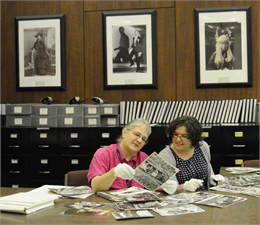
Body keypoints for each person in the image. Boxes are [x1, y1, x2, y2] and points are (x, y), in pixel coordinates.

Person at [159, 116, 225, 192]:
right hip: (181, 200)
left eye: (184, 136)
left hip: (206, 197)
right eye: (176, 134)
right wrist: (183, 187)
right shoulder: (165, 156)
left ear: (194, 137)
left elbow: (208, 167)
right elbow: (169, 188)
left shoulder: (202, 146)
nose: (178, 139)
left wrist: (212, 178)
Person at [88, 118, 151, 193]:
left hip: (135, 202)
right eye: (137, 134)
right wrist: (114, 172)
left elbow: (153, 185)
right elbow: (96, 187)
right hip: (108, 203)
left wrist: (165, 185)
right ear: (124, 132)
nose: (139, 140)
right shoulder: (104, 153)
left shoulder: (144, 158)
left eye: (144, 139)